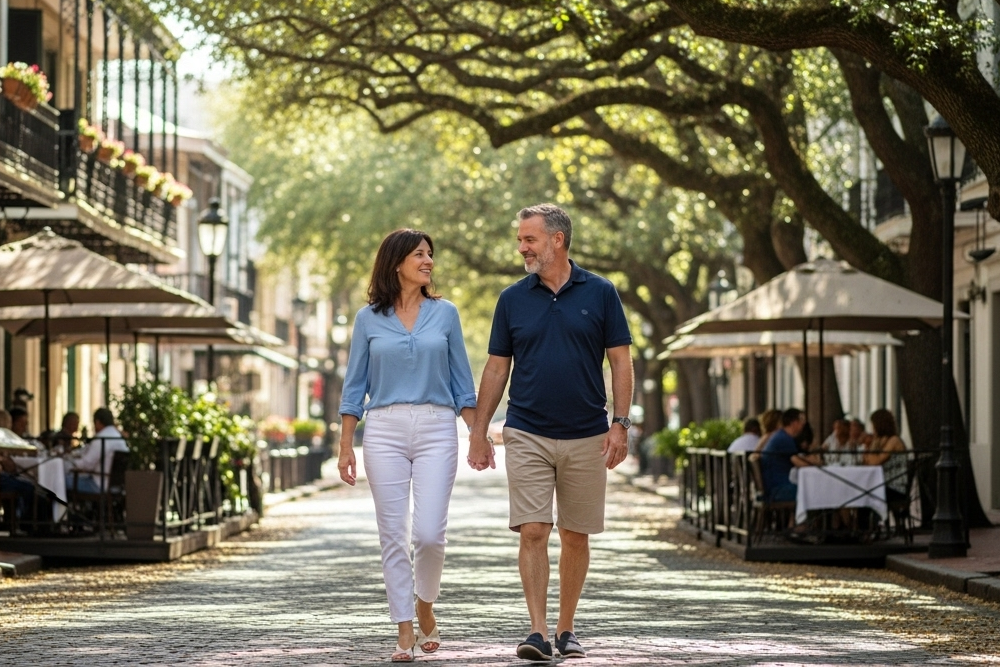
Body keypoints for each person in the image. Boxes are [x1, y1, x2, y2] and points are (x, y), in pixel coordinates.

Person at [468, 203, 634, 662]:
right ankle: (538, 632)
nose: (521, 247)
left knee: (575, 535)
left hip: (587, 434)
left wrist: (620, 423)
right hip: (527, 431)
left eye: (529, 239)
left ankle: (566, 629)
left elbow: (621, 360)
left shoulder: (601, 292)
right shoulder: (512, 299)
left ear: (557, 240)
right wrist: (479, 431)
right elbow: (497, 367)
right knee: (534, 530)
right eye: (520, 239)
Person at [337, 228, 477, 663]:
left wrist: (478, 435)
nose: (428, 260)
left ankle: (425, 606)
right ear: (396, 263)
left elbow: (462, 385)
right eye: (419, 254)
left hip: (438, 426)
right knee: (393, 535)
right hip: (384, 429)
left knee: (430, 534)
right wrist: (346, 446)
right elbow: (354, 386)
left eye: (430, 254)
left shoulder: (446, 313)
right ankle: (403, 630)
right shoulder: (367, 320)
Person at [65, 408, 128, 493]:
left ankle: (61, 506)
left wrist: (71, 462)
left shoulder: (101, 438)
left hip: (99, 485)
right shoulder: (118, 437)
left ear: (97, 422)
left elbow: (87, 464)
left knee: (61, 480)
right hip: (114, 486)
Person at [760, 408, 812, 501]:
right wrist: (818, 467)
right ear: (794, 422)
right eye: (801, 420)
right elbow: (797, 461)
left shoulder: (781, 436)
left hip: (774, 487)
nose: (803, 424)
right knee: (813, 491)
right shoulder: (784, 438)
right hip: (778, 489)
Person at [862, 409, 909, 503]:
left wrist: (872, 445)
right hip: (881, 483)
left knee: (864, 494)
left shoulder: (894, 441)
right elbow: (867, 462)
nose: (872, 429)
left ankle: (877, 517)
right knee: (859, 491)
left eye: (873, 425)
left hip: (895, 486)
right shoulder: (881, 441)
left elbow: (875, 462)